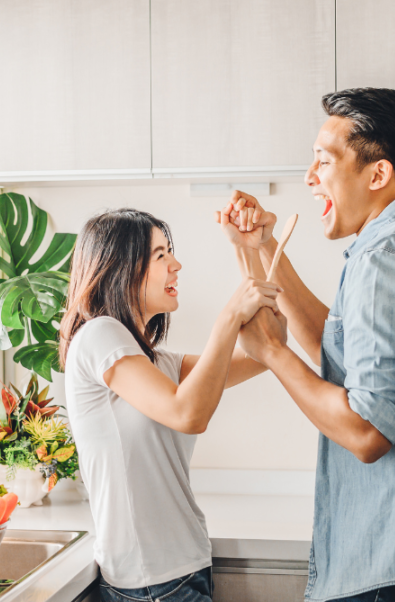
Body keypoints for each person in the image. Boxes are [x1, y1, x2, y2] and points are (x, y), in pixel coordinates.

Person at [220, 87, 395, 602]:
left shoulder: (384, 258)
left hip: (390, 563)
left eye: (323, 161)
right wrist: (266, 247)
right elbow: (339, 344)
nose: (309, 176)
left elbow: (367, 432)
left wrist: (274, 354)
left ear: (377, 174)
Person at [59, 208, 282, 602]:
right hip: (149, 584)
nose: (176, 265)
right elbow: (188, 413)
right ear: (120, 266)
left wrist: (248, 250)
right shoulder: (98, 335)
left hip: (184, 570)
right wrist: (229, 318)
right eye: (160, 255)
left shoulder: (158, 363)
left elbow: (266, 354)